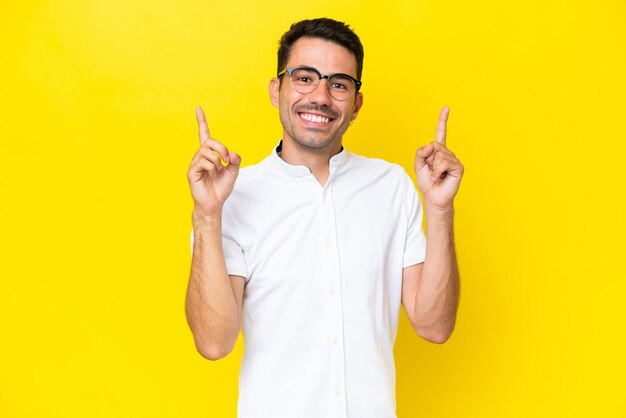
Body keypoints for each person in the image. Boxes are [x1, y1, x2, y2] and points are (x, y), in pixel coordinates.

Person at [186, 18, 463, 418]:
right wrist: (208, 216)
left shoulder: (393, 187)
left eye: (338, 83)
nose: (320, 96)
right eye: (304, 77)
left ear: (356, 104)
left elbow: (434, 326)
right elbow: (214, 343)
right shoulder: (231, 196)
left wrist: (440, 209)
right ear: (275, 89)